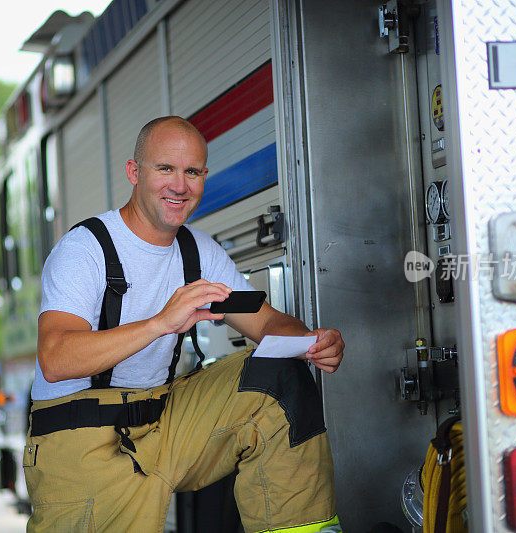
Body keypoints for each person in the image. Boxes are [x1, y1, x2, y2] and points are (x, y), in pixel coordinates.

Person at [26, 116, 345, 532]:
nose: (180, 185)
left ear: (204, 176)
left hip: (162, 421)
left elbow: (266, 322)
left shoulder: (200, 252)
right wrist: (160, 323)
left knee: (276, 377)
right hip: (80, 437)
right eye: (165, 169)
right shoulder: (85, 249)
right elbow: (55, 359)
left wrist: (311, 342)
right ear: (134, 172)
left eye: (192, 172)